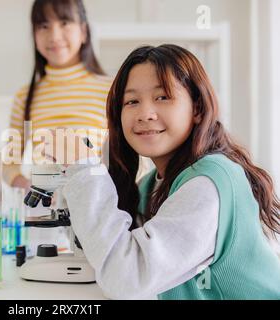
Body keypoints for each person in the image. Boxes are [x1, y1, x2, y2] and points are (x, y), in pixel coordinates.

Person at [52, 45, 280, 299]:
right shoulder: (151, 185)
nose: (145, 114)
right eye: (132, 101)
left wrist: (84, 170)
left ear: (197, 109)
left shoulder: (208, 184)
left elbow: (127, 278)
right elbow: (109, 252)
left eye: (162, 97)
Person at [3, 0, 115, 190]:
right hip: (45, 211)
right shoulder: (24, 96)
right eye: (44, 26)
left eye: (64, 23)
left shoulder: (112, 89)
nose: (54, 36)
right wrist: (29, 186)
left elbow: (128, 161)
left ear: (84, 31)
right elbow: (8, 164)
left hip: (96, 205)